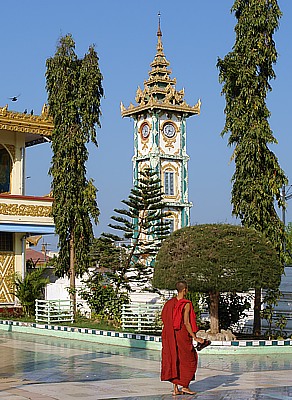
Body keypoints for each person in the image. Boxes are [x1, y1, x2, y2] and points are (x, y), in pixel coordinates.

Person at [161, 281, 204, 396]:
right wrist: (195, 337)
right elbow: (186, 323)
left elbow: (164, 319)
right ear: (184, 290)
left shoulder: (169, 304)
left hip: (170, 336)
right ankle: (185, 386)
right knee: (190, 359)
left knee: (174, 359)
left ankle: (175, 389)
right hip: (182, 336)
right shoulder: (186, 304)